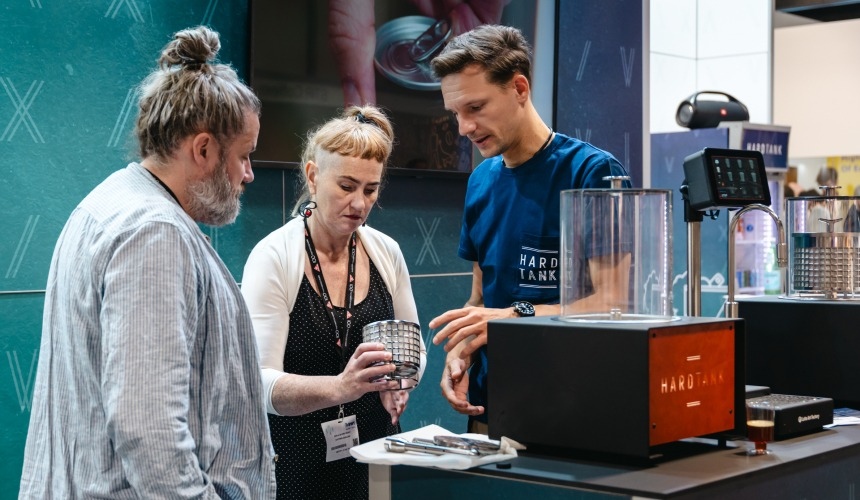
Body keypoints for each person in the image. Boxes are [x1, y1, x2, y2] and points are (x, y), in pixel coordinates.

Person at [18, 26, 276, 498]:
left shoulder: (105, 202)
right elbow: (148, 427)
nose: (248, 175)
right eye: (243, 156)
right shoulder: (155, 233)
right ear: (203, 149)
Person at [427, 25, 631, 433]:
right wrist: (462, 354)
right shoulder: (481, 181)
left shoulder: (592, 172)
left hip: (572, 407)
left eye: (476, 108)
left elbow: (613, 304)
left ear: (519, 88)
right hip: (492, 406)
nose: (464, 127)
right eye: (456, 114)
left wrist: (510, 316)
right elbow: (481, 299)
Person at [241, 105, 427, 500]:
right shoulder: (274, 256)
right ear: (313, 176)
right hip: (294, 464)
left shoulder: (386, 253)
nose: (359, 203)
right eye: (346, 186)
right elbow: (258, 383)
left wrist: (400, 381)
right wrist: (342, 387)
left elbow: (415, 350)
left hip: (373, 455)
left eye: (370, 189)